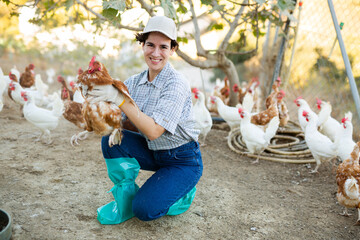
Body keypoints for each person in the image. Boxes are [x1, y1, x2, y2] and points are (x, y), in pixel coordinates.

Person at [89, 15, 203, 224]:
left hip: (182, 160)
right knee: (112, 139)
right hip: (153, 151)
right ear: (142, 45)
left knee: (145, 210)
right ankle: (125, 200)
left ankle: (182, 190)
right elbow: (119, 120)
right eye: (150, 45)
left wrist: (121, 101)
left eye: (163, 47)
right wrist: (93, 109)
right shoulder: (133, 82)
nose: (156, 53)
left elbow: (153, 131)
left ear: (172, 50)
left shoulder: (176, 83)